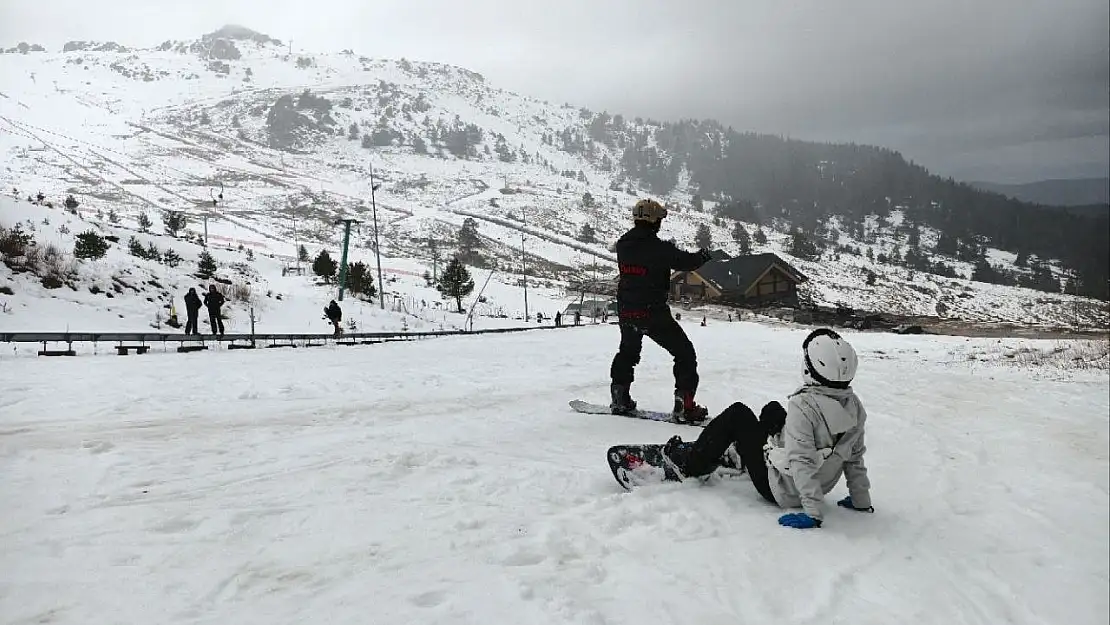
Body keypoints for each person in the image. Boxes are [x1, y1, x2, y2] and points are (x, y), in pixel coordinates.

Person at [657, 328, 873, 529]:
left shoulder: (804, 407)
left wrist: (813, 513)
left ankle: (690, 465)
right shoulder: (853, 406)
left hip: (780, 488)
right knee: (773, 411)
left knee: (737, 414)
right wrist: (860, 499)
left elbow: (801, 460)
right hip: (818, 482)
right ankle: (741, 454)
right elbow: (854, 457)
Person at [610, 198, 713, 423]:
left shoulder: (623, 244)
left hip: (627, 309)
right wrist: (704, 255)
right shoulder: (659, 248)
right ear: (655, 220)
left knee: (627, 353)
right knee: (684, 353)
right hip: (652, 311)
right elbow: (686, 262)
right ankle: (685, 407)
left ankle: (620, 398)